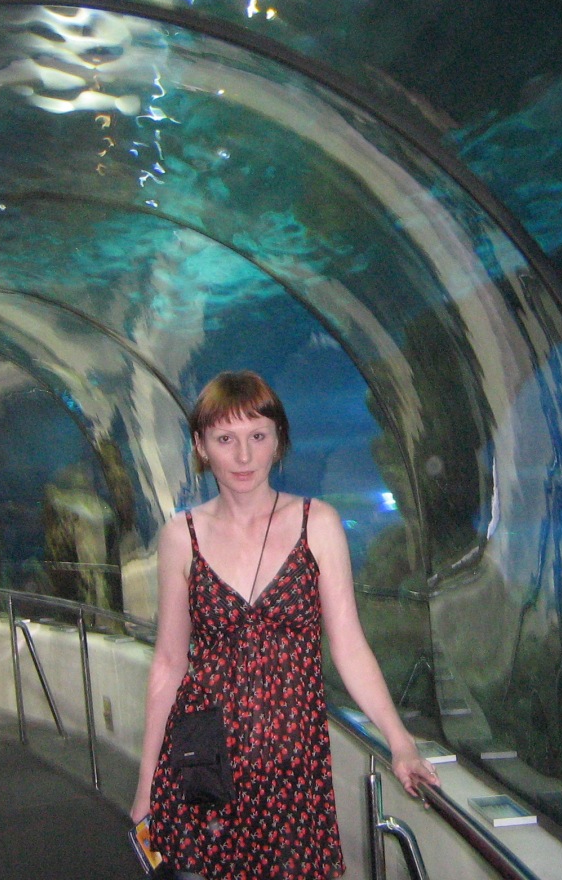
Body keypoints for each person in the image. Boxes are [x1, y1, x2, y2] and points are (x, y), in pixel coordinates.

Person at [131, 371, 439, 878]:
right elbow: (168, 663)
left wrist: (399, 741)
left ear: (279, 441)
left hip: (291, 767)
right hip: (204, 761)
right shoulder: (180, 537)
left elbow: (349, 646)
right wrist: (146, 784)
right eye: (225, 439)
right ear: (201, 446)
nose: (243, 456)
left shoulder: (317, 524)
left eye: (258, 435)